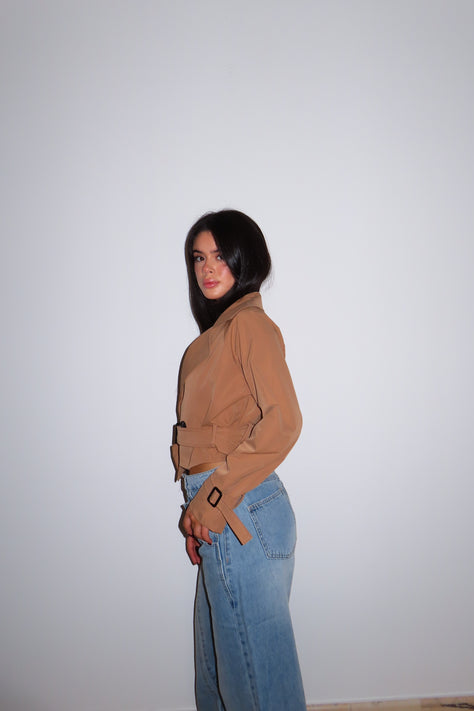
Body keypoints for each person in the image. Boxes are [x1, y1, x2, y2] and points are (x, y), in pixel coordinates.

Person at [171, 209, 306, 710]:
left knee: (254, 687)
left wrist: (211, 501)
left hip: (239, 510)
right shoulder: (219, 335)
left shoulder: (249, 325)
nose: (208, 268)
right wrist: (198, 513)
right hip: (223, 512)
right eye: (199, 258)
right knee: (218, 681)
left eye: (220, 256)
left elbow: (284, 422)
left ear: (245, 259)